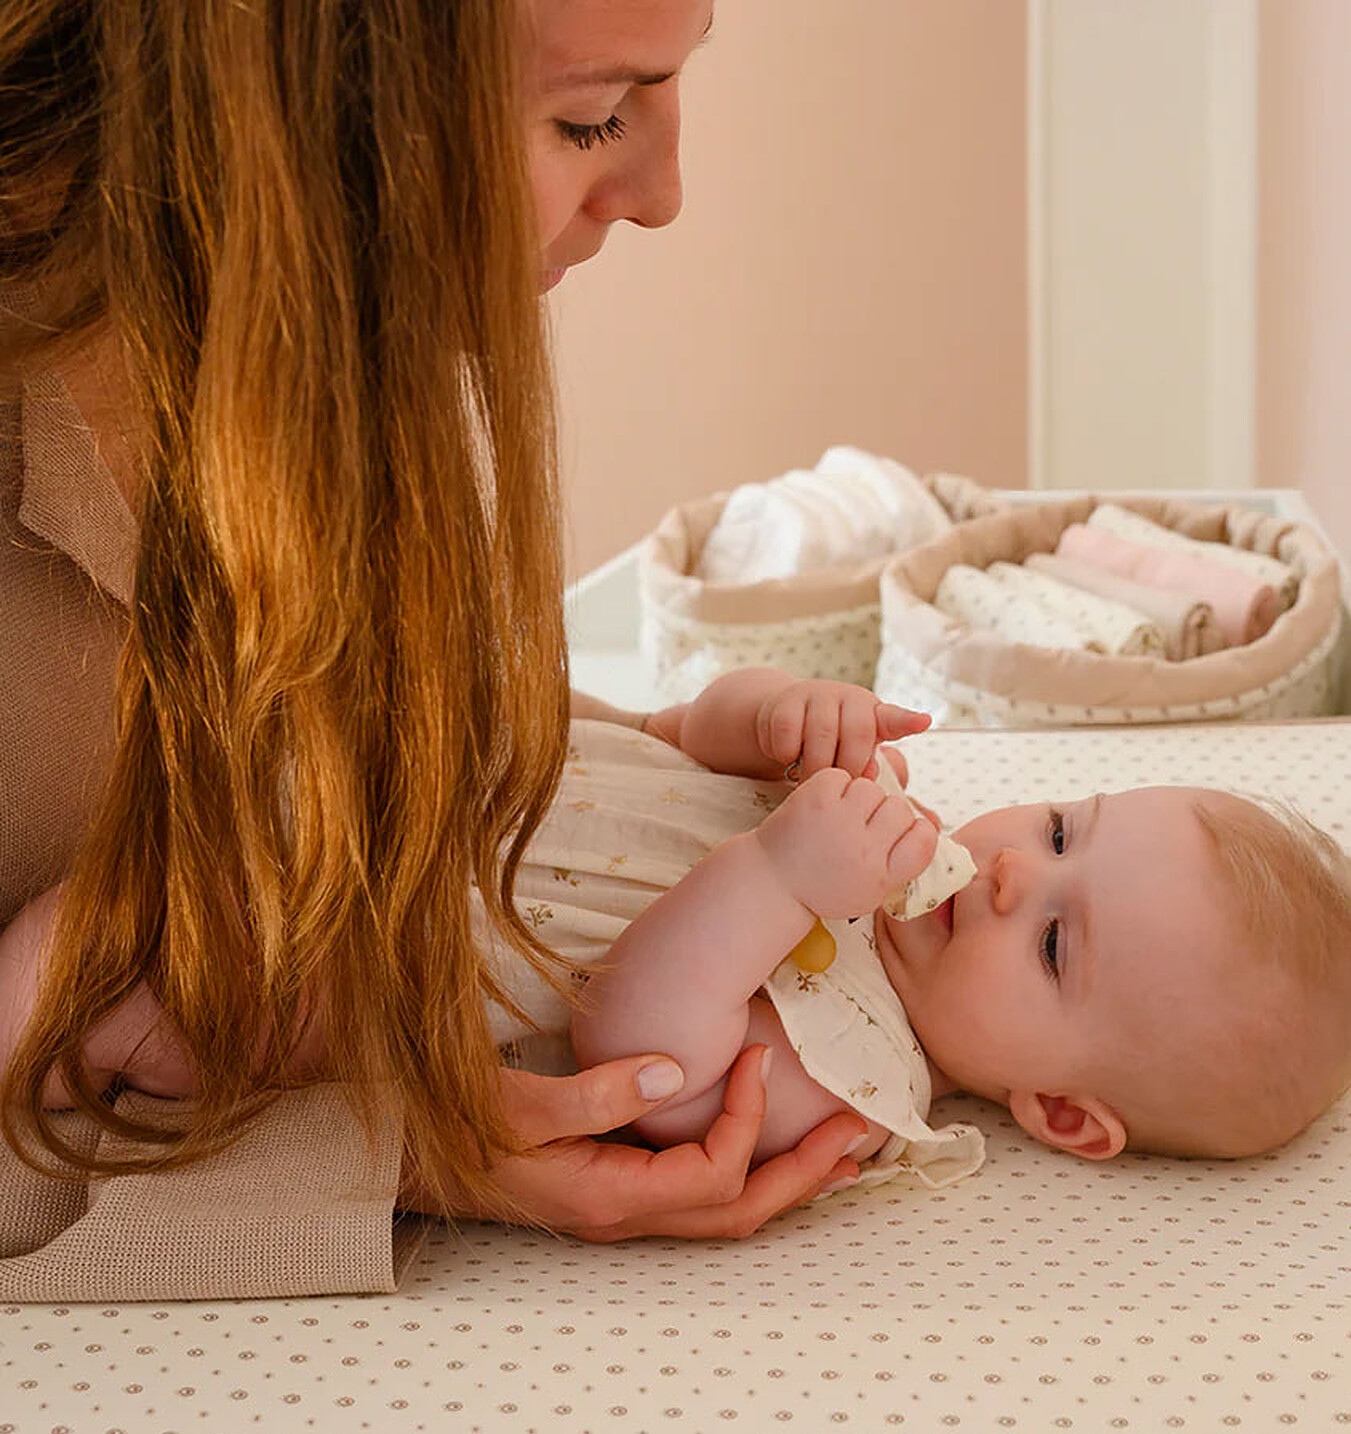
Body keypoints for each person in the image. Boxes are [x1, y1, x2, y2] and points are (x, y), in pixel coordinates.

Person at [0, 0, 873, 1304]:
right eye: (591, 119)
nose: (660, 198)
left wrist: (671, 748)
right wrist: (383, 1154)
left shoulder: (315, 340)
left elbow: (354, 726)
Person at [490, 668, 1351, 1177]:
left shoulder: (853, 1078)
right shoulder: (875, 805)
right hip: (481, 767)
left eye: (1053, 944)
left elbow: (638, 1053)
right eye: (1060, 832)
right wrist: (776, 715)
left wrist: (776, 876)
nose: (1012, 873)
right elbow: (678, 732)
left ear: (1059, 1111)